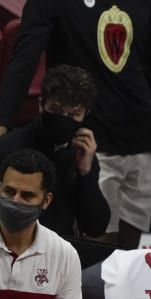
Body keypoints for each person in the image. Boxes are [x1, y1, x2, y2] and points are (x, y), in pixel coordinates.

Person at [0, 0, 151, 250]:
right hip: (91, 141)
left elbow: (150, 70)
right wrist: (3, 121)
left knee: (129, 256)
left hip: (140, 143)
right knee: (96, 246)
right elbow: (24, 58)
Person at [0, 64, 109, 238]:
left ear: (85, 114)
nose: (63, 119)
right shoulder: (9, 147)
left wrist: (86, 173)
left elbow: (95, 226)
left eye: (73, 115)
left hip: (61, 252)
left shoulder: (81, 154)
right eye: (56, 110)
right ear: (41, 104)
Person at [0, 149, 83, 299]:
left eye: (27, 195)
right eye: (9, 191)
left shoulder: (64, 255)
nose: (16, 201)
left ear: (46, 201)